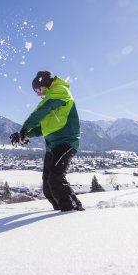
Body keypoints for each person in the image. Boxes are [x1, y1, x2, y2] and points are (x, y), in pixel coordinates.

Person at [10, 70, 84, 212]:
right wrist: (24, 134)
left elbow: (42, 111)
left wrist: (25, 128)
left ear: (43, 83)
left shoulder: (60, 91)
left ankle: (74, 211)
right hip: (52, 146)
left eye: (37, 89)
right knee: (47, 185)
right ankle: (57, 213)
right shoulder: (48, 98)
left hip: (66, 143)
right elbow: (41, 128)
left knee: (56, 179)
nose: (38, 93)